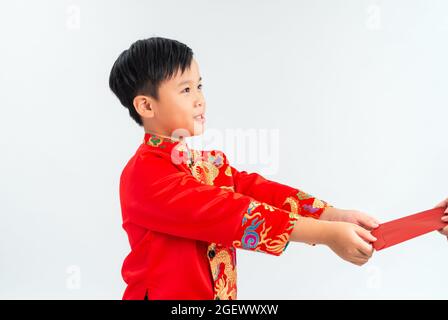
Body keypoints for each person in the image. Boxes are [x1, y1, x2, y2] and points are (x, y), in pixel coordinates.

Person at [109, 37, 382, 300]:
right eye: (185, 89)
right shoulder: (144, 174)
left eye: (199, 86)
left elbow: (258, 191)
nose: (199, 99)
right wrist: (326, 235)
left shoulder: (205, 164)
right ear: (146, 105)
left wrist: (331, 216)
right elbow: (230, 212)